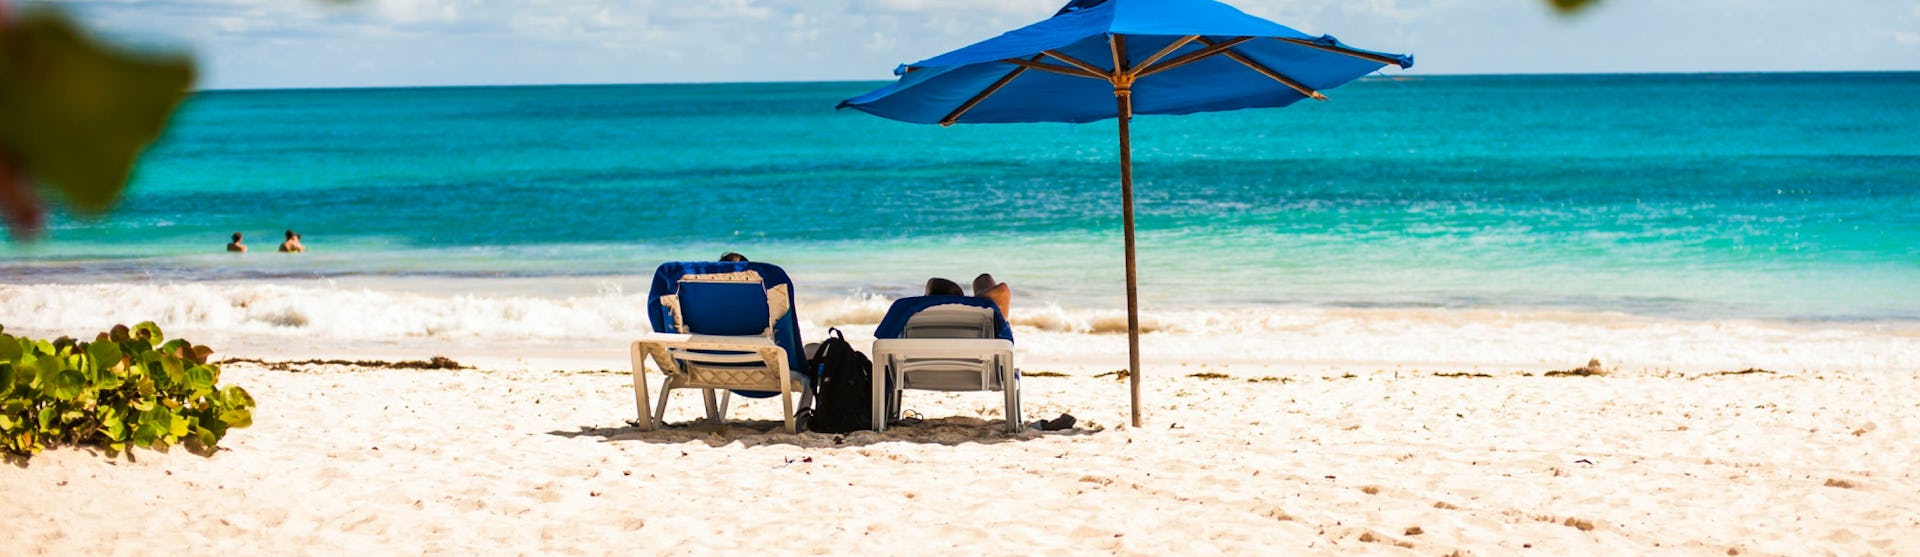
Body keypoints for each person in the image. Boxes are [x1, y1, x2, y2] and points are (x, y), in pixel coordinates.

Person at [924, 273, 1012, 319]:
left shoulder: (914, 316)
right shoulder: (983, 319)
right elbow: (1002, 290)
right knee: (984, 279)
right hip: (979, 351)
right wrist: (970, 303)